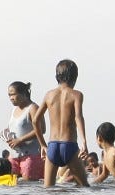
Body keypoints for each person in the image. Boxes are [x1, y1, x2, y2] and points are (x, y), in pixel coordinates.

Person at [32, 59, 89, 187]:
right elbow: (78, 117)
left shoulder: (49, 95)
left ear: (57, 76)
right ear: (75, 76)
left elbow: (35, 121)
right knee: (84, 187)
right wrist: (84, 141)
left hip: (52, 146)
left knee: (48, 189)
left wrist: (42, 145)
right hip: (69, 145)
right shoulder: (77, 95)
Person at [3, 81, 43, 181]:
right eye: (9, 95)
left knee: (29, 186)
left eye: (13, 94)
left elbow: (41, 129)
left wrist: (20, 140)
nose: (11, 98)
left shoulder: (32, 108)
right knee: (11, 185)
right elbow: (13, 128)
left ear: (23, 94)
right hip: (14, 154)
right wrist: (6, 134)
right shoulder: (14, 110)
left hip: (30, 155)